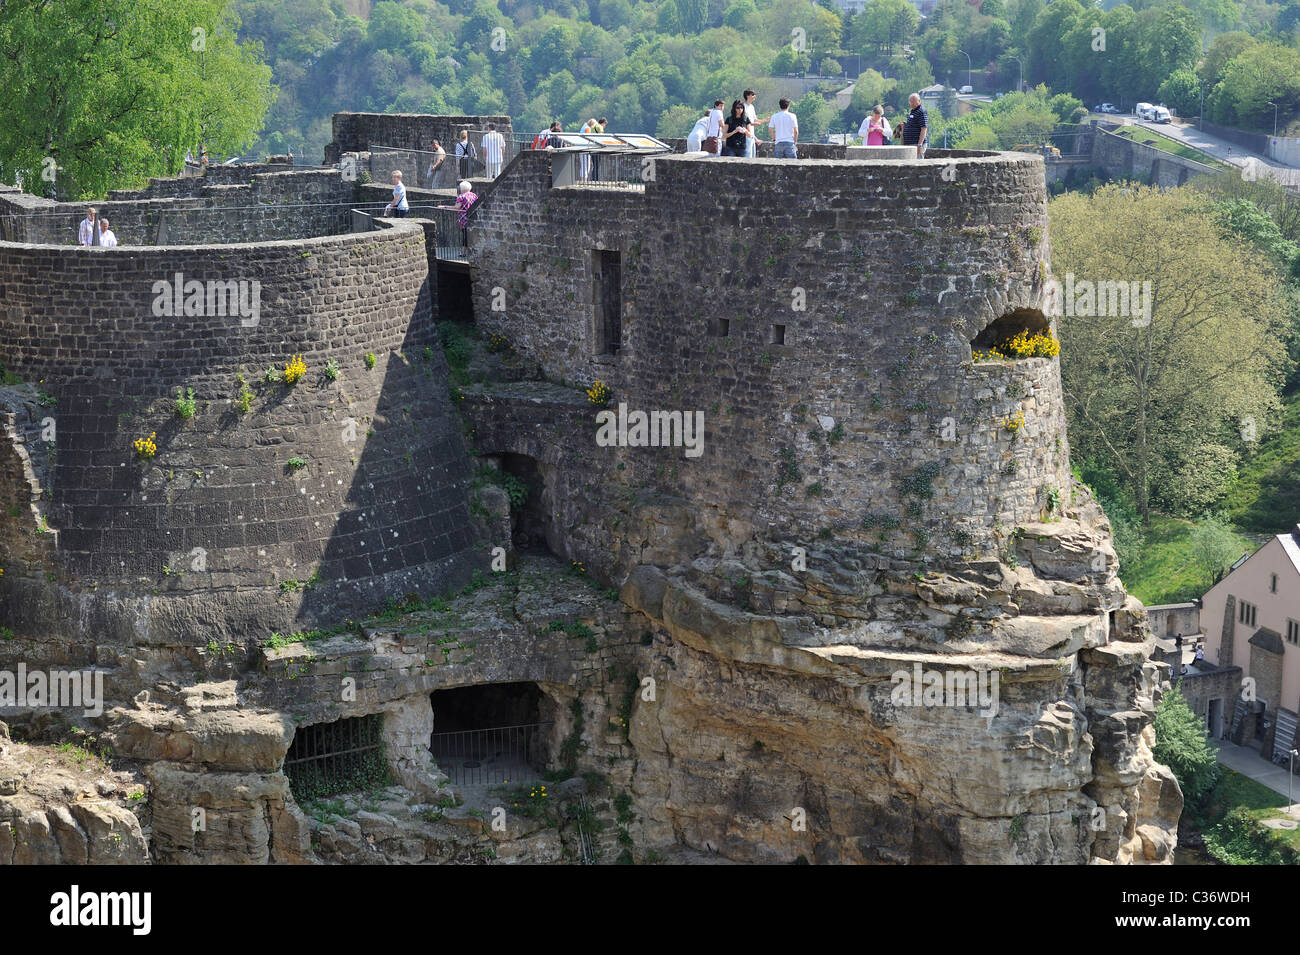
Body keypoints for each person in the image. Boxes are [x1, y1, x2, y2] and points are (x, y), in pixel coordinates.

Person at [438, 180, 479, 250]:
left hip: (464, 218)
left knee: (465, 235)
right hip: (473, 217)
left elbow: (457, 207)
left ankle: (463, 252)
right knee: (470, 235)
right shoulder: (474, 195)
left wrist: (444, 207)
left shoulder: (461, 196)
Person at [901, 93, 929, 159]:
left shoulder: (921, 111)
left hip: (916, 144)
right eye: (911, 102)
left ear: (919, 101)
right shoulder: (913, 111)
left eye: (914, 101)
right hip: (910, 144)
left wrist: (919, 145)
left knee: (917, 165)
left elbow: (924, 128)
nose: (912, 103)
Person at [742, 89, 764, 157]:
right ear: (748, 96)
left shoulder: (752, 107)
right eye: (753, 95)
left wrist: (765, 120)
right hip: (745, 135)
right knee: (747, 156)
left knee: (752, 156)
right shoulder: (742, 107)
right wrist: (754, 124)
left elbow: (755, 119)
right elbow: (743, 122)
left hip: (751, 135)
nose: (755, 96)